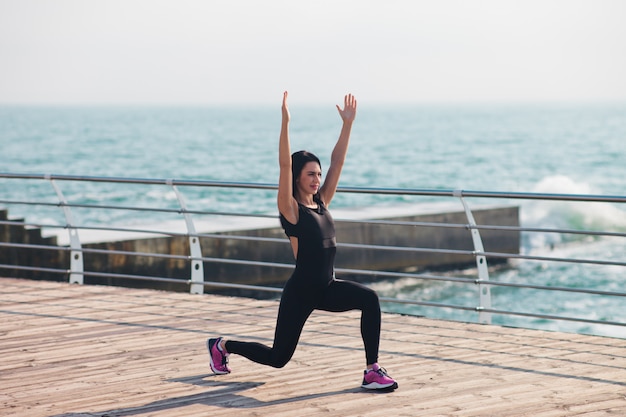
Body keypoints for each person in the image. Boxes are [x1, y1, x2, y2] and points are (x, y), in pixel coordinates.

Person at [207, 91, 398, 391]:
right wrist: (285, 124)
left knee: (369, 299)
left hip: (327, 288)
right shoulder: (291, 209)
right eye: (310, 174)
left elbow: (338, 161)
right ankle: (223, 346)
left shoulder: (321, 203)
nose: (317, 179)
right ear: (297, 177)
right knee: (278, 357)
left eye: (319, 174)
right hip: (301, 292)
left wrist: (347, 125)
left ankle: (371, 370)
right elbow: (284, 165)